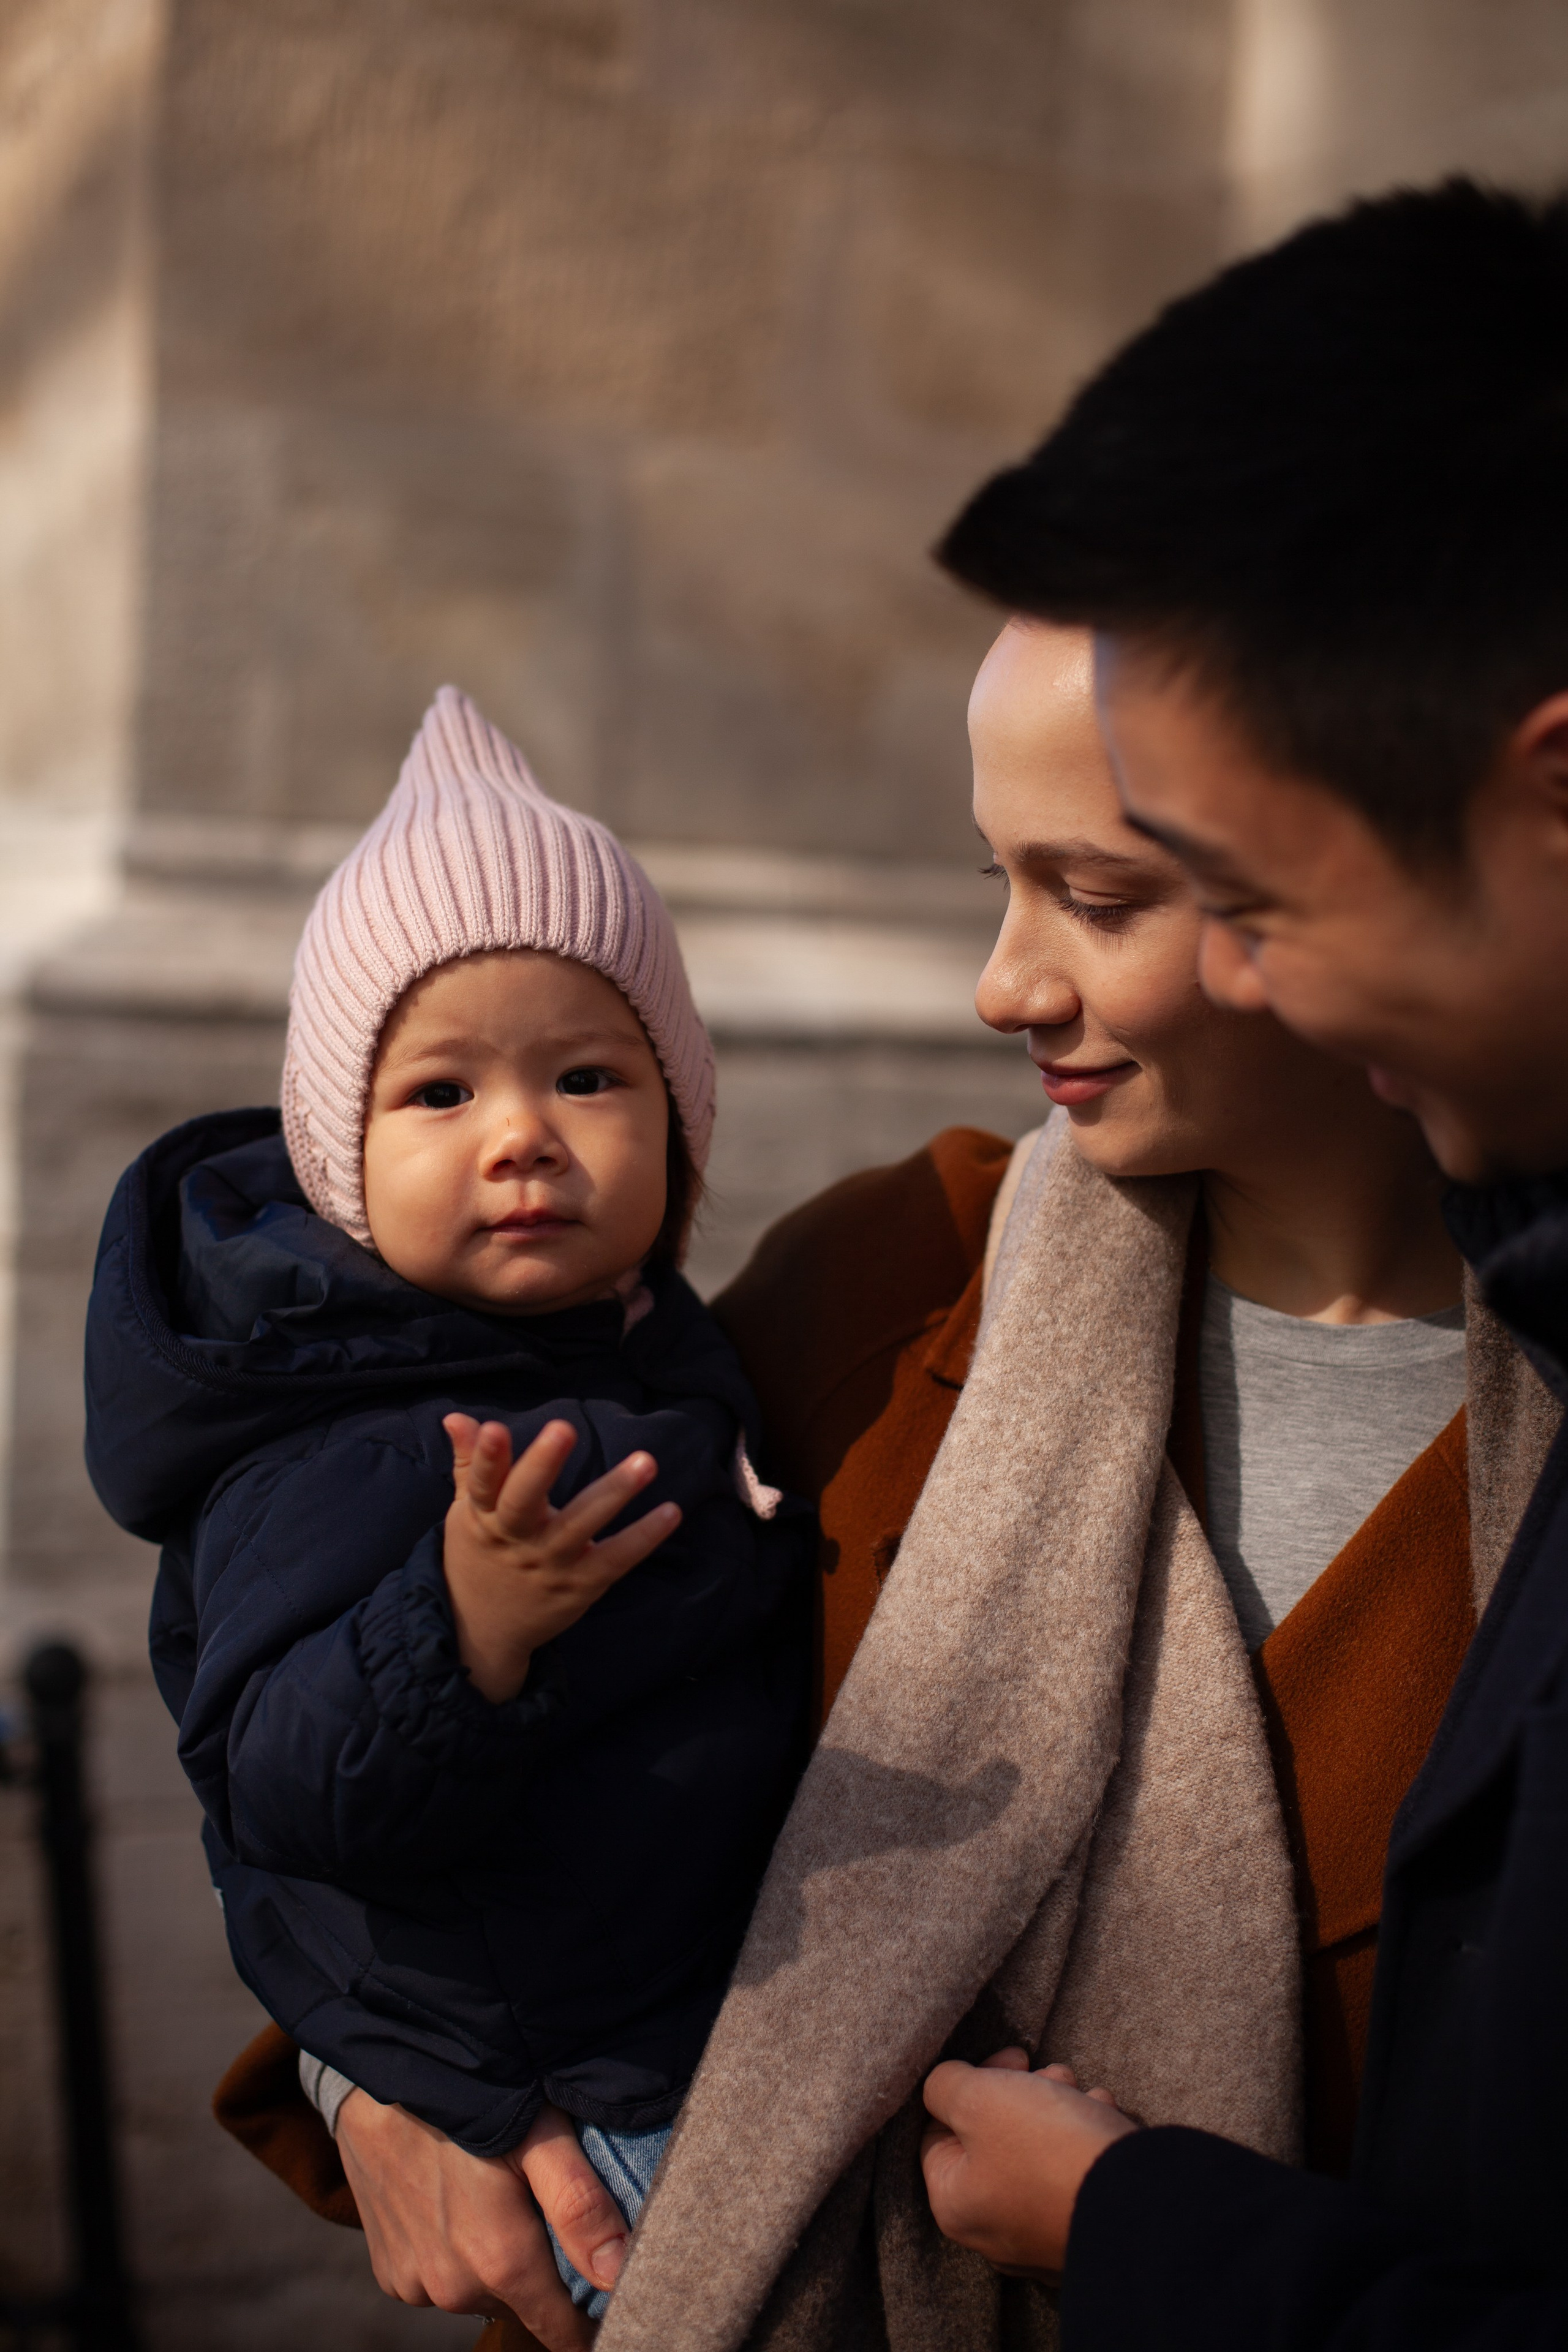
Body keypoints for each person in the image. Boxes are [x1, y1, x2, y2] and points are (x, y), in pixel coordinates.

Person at [921, 178, 1568, 2347]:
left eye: (1201, 888)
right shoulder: (905, 1277)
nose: (1013, 984)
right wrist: (384, 2062)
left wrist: (1152, 2243)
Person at [84, 687, 812, 2337]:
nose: (523, 1139)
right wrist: (460, 1622)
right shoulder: (354, 1435)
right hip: (577, 2094)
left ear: (681, 1123)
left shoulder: (643, 1354)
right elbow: (278, 1782)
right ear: (341, 1154)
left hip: (692, 2015)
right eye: (440, 1096)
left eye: (585, 1076)